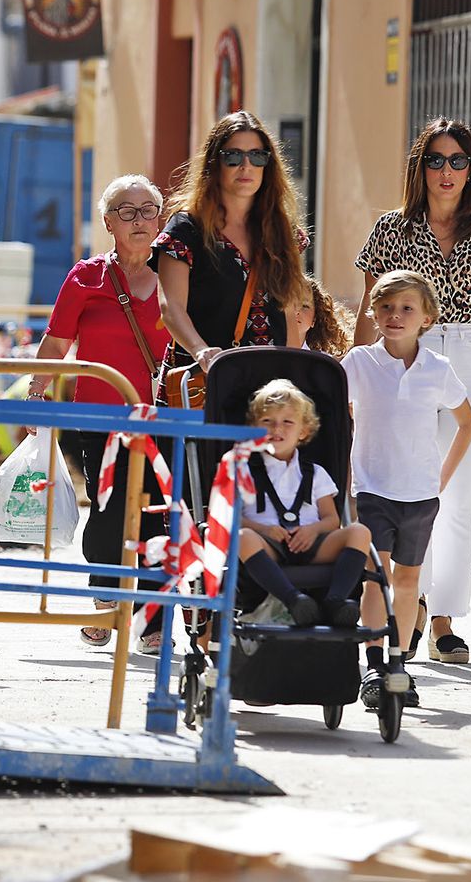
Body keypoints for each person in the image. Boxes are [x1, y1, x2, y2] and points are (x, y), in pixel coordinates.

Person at [353, 118, 471, 665]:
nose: (447, 171)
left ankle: (442, 621)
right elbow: (371, 307)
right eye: (435, 160)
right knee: (409, 488)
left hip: (469, 352)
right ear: (420, 168)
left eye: (458, 160)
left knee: (458, 497)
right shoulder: (391, 227)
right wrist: (362, 373)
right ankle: (406, 614)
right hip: (405, 356)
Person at [30, 175, 174, 655]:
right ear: (109, 222)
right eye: (126, 211)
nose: (139, 220)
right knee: (110, 512)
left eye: (148, 209)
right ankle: (106, 599)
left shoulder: (177, 276)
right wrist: (36, 393)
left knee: (156, 514)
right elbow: (55, 342)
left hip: (165, 417)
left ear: (162, 217)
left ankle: (151, 615)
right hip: (100, 417)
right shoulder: (85, 277)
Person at [344, 270, 471, 709]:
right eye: (385, 308)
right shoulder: (359, 363)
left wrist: (441, 476)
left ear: (427, 318)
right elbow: (336, 415)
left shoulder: (437, 369)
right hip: (372, 490)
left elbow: (467, 423)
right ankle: (375, 665)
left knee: (408, 580)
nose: (395, 316)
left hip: (419, 494)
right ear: (373, 313)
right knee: (374, 577)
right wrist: (345, 477)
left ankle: (399, 664)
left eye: (406, 308)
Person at [151, 111, 308, 395]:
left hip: (268, 389)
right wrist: (201, 352)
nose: (246, 166)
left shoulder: (281, 231)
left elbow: (287, 312)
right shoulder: (187, 229)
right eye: (234, 156)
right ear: (215, 163)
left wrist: (293, 373)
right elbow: (170, 307)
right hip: (204, 382)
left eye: (257, 157)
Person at [235, 380, 371, 628]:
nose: (278, 428)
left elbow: (331, 519)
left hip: (311, 542)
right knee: (242, 536)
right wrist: (264, 530)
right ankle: (294, 600)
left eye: (287, 422)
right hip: (267, 545)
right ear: (255, 427)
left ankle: (336, 600)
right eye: (268, 421)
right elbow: (228, 517)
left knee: (360, 532)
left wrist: (313, 530)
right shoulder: (243, 469)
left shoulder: (315, 473)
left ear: (303, 431)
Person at [287, 276, 352, 357]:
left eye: (305, 306)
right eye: (289, 304)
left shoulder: (322, 363)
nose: (296, 311)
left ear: (314, 319)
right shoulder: (266, 355)